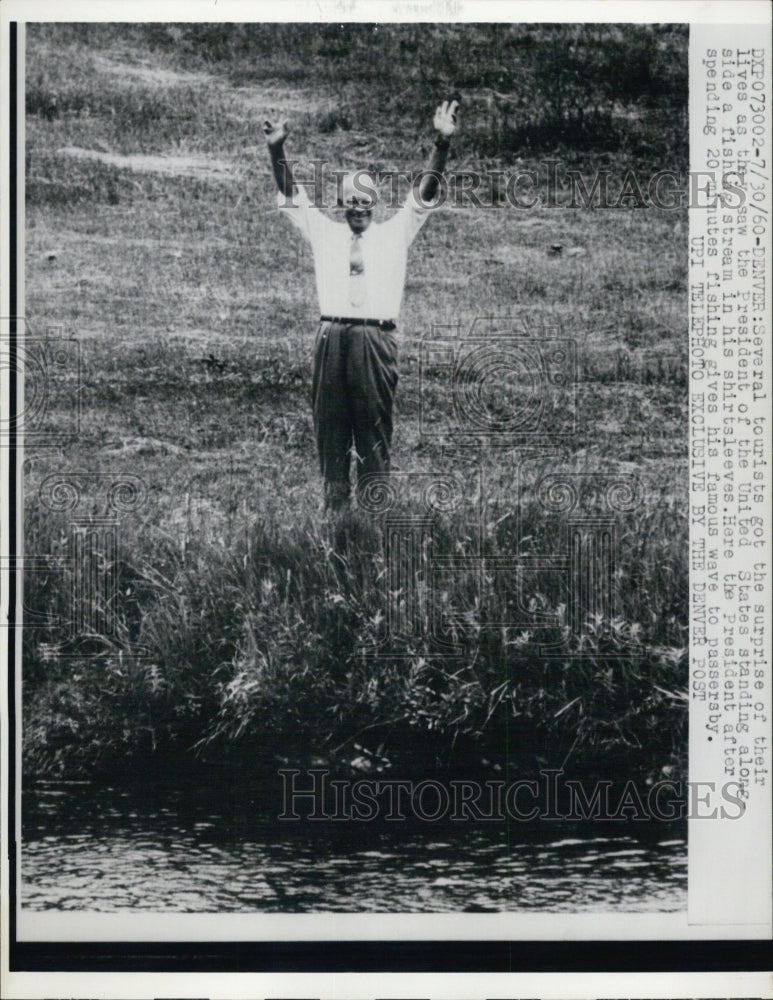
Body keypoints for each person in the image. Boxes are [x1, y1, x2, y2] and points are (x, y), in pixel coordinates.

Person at [263, 98, 460, 510]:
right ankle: (336, 525)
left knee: (373, 435)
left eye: (364, 200)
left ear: (376, 203)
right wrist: (277, 150)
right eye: (350, 200)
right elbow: (290, 193)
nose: (357, 207)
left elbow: (425, 192)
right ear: (341, 204)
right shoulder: (325, 232)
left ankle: (373, 527)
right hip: (331, 338)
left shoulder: (394, 232)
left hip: (375, 340)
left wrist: (441, 145)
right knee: (330, 435)